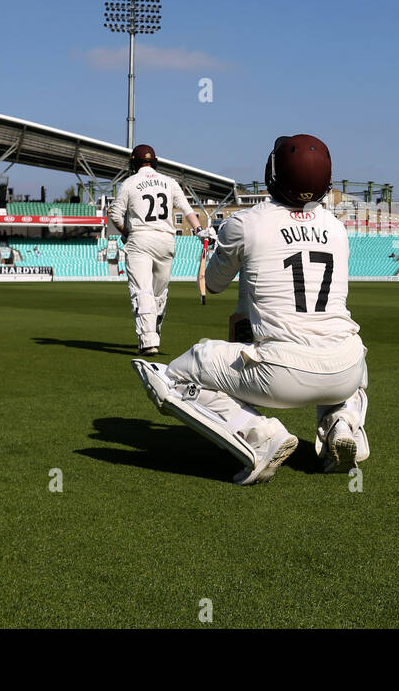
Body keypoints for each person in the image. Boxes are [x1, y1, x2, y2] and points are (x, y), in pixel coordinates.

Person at [132, 134, 370, 486]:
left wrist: (225, 246)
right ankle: (342, 422)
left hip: (282, 373)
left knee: (172, 375)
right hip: (347, 374)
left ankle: (259, 433)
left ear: (273, 172)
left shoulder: (246, 222)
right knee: (347, 345)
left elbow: (213, 284)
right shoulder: (337, 228)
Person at [108, 144, 206, 356]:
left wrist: (126, 232)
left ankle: (148, 340)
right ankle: (156, 333)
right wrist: (199, 230)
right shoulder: (169, 182)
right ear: (154, 161)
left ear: (134, 162)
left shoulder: (129, 183)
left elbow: (115, 216)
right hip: (166, 240)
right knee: (159, 293)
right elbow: (187, 209)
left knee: (142, 290)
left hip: (141, 239)